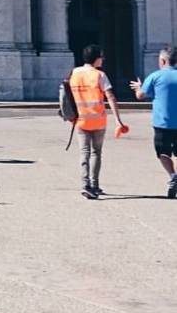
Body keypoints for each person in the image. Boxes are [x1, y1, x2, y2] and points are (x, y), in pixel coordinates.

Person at [69, 44, 127, 199]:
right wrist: (118, 120)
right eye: (101, 56)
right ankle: (94, 185)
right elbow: (111, 97)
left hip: (80, 119)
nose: (103, 59)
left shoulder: (74, 73)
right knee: (96, 153)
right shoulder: (99, 75)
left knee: (84, 152)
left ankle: (85, 184)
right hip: (98, 120)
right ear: (96, 58)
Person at [130, 45, 177, 199]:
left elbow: (141, 95)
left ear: (163, 61)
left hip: (162, 123)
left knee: (163, 153)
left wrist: (138, 87)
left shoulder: (155, 76)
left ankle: (172, 175)